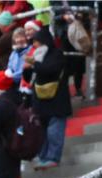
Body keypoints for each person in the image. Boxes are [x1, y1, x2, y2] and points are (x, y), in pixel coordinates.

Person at [24, 27, 71, 170]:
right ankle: (43, 156)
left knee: (54, 131)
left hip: (57, 100)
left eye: (37, 42)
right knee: (41, 132)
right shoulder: (36, 57)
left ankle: (53, 157)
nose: (35, 46)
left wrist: (35, 64)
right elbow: (28, 78)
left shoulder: (57, 54)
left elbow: (50, 70)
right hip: (40, 102)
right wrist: (27, 68)